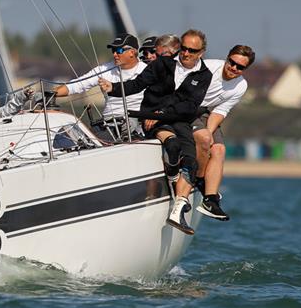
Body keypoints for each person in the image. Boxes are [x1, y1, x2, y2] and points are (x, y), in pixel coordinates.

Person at [99, 29, 212, 235]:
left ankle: (178, 209)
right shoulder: (163, 63)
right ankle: (171, 178)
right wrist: (112, 88)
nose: (186, 54)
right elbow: (137, 84)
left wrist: (163, 112)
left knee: (191, 161)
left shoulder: (204, 75)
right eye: (184, 49)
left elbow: (189, 105)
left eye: (192, 51)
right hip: (152, 118)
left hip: (178, 120)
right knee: (173, 145)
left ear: (201, 52)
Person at [192, 45, 255, 221]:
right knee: (204, 139)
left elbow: (219, 112)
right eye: (232, 62)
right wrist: (206, 135)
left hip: (206, 113)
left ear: (245, 69)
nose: (234, 68)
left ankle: (210, 200)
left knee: (219, 149)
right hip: (186, 108)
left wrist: (210, 132)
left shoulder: (241, 86)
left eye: (240, 67)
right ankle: (199, 179)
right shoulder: (208, 67)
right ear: (227, 58)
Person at [52, 34, 147, 141]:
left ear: (132, 52)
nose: (115, 54)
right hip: (108, 124)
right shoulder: (105, 69)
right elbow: (78, 84)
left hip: (137, 125)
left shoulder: (147, 71)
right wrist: (50, 94)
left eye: (119, 50)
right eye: (113, 51)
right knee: (73, 139)